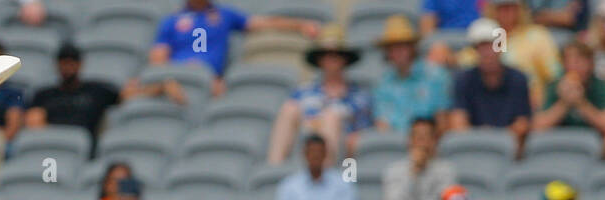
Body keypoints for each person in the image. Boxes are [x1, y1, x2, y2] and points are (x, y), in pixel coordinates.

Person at [148, 0, 320, 96]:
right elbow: (158, 58)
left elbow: (262, 23)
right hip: (177, 77)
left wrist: (299, 25)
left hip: (208, 78)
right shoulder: (171, 21)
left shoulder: (224, 14)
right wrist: (169, 77)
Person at [268, 26, 372, 164]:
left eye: (336, 55)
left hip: (341, 152)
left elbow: (361, 134)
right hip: (304, 145)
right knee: (289, 108)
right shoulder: (303, 92)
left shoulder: (359, 97)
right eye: (326, 55)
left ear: (344, 59)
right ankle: (275, 167)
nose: (331, 61)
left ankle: (324, 178)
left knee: (331, 118)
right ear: (319, 60)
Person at [449, 17, 533, 151]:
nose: (488, 53)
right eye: (482, 47)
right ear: (475, 51)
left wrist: (492, 135)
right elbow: (458, 122)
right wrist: (482, 135)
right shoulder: (464, 79)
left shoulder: (518, 79)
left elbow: (522, 124)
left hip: (510, 148)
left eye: (492, 46)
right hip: (474, 148)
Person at [25, 42, 120, 151]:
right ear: (57, 65)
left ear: (80, 64)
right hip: (52, 144)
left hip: (84, 147)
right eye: (64, 62)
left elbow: (123, 97)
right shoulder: (44, 95)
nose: (68, 67)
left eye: (72, 62)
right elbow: (33, 121)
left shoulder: (97, 92)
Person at [533, 39, 605, 152]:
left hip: (592, 139)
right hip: (558, 139)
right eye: (569, 61)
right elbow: (538, 126)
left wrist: (580, 103)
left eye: (579, 61)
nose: (574, 66)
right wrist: (564, 103)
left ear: (591, 63)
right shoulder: (555, 85)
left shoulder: (599, 86)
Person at [373, 16, 453, 134]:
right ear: (387, 52)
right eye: (392, 47)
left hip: (429, 144)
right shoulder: (382, 83)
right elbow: (382, 124)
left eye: (402, 46)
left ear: (412, 47)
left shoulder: (436, 76)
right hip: (395, 146)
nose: (397, 52)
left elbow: (442, 121)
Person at [274, 133, 359, 200]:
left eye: (319, 152)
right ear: (305, 154)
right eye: (312, 152)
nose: (315, 156)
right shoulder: (289, 186)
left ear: (325, 154)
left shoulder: (342, 185)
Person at [379, 117, 458, 200]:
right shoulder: (394, 170)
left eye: (427, 136)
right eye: (417, 136)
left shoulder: (447, 170)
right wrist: (413, 172)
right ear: (409, 140)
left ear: (435, 141)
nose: (422, 142)